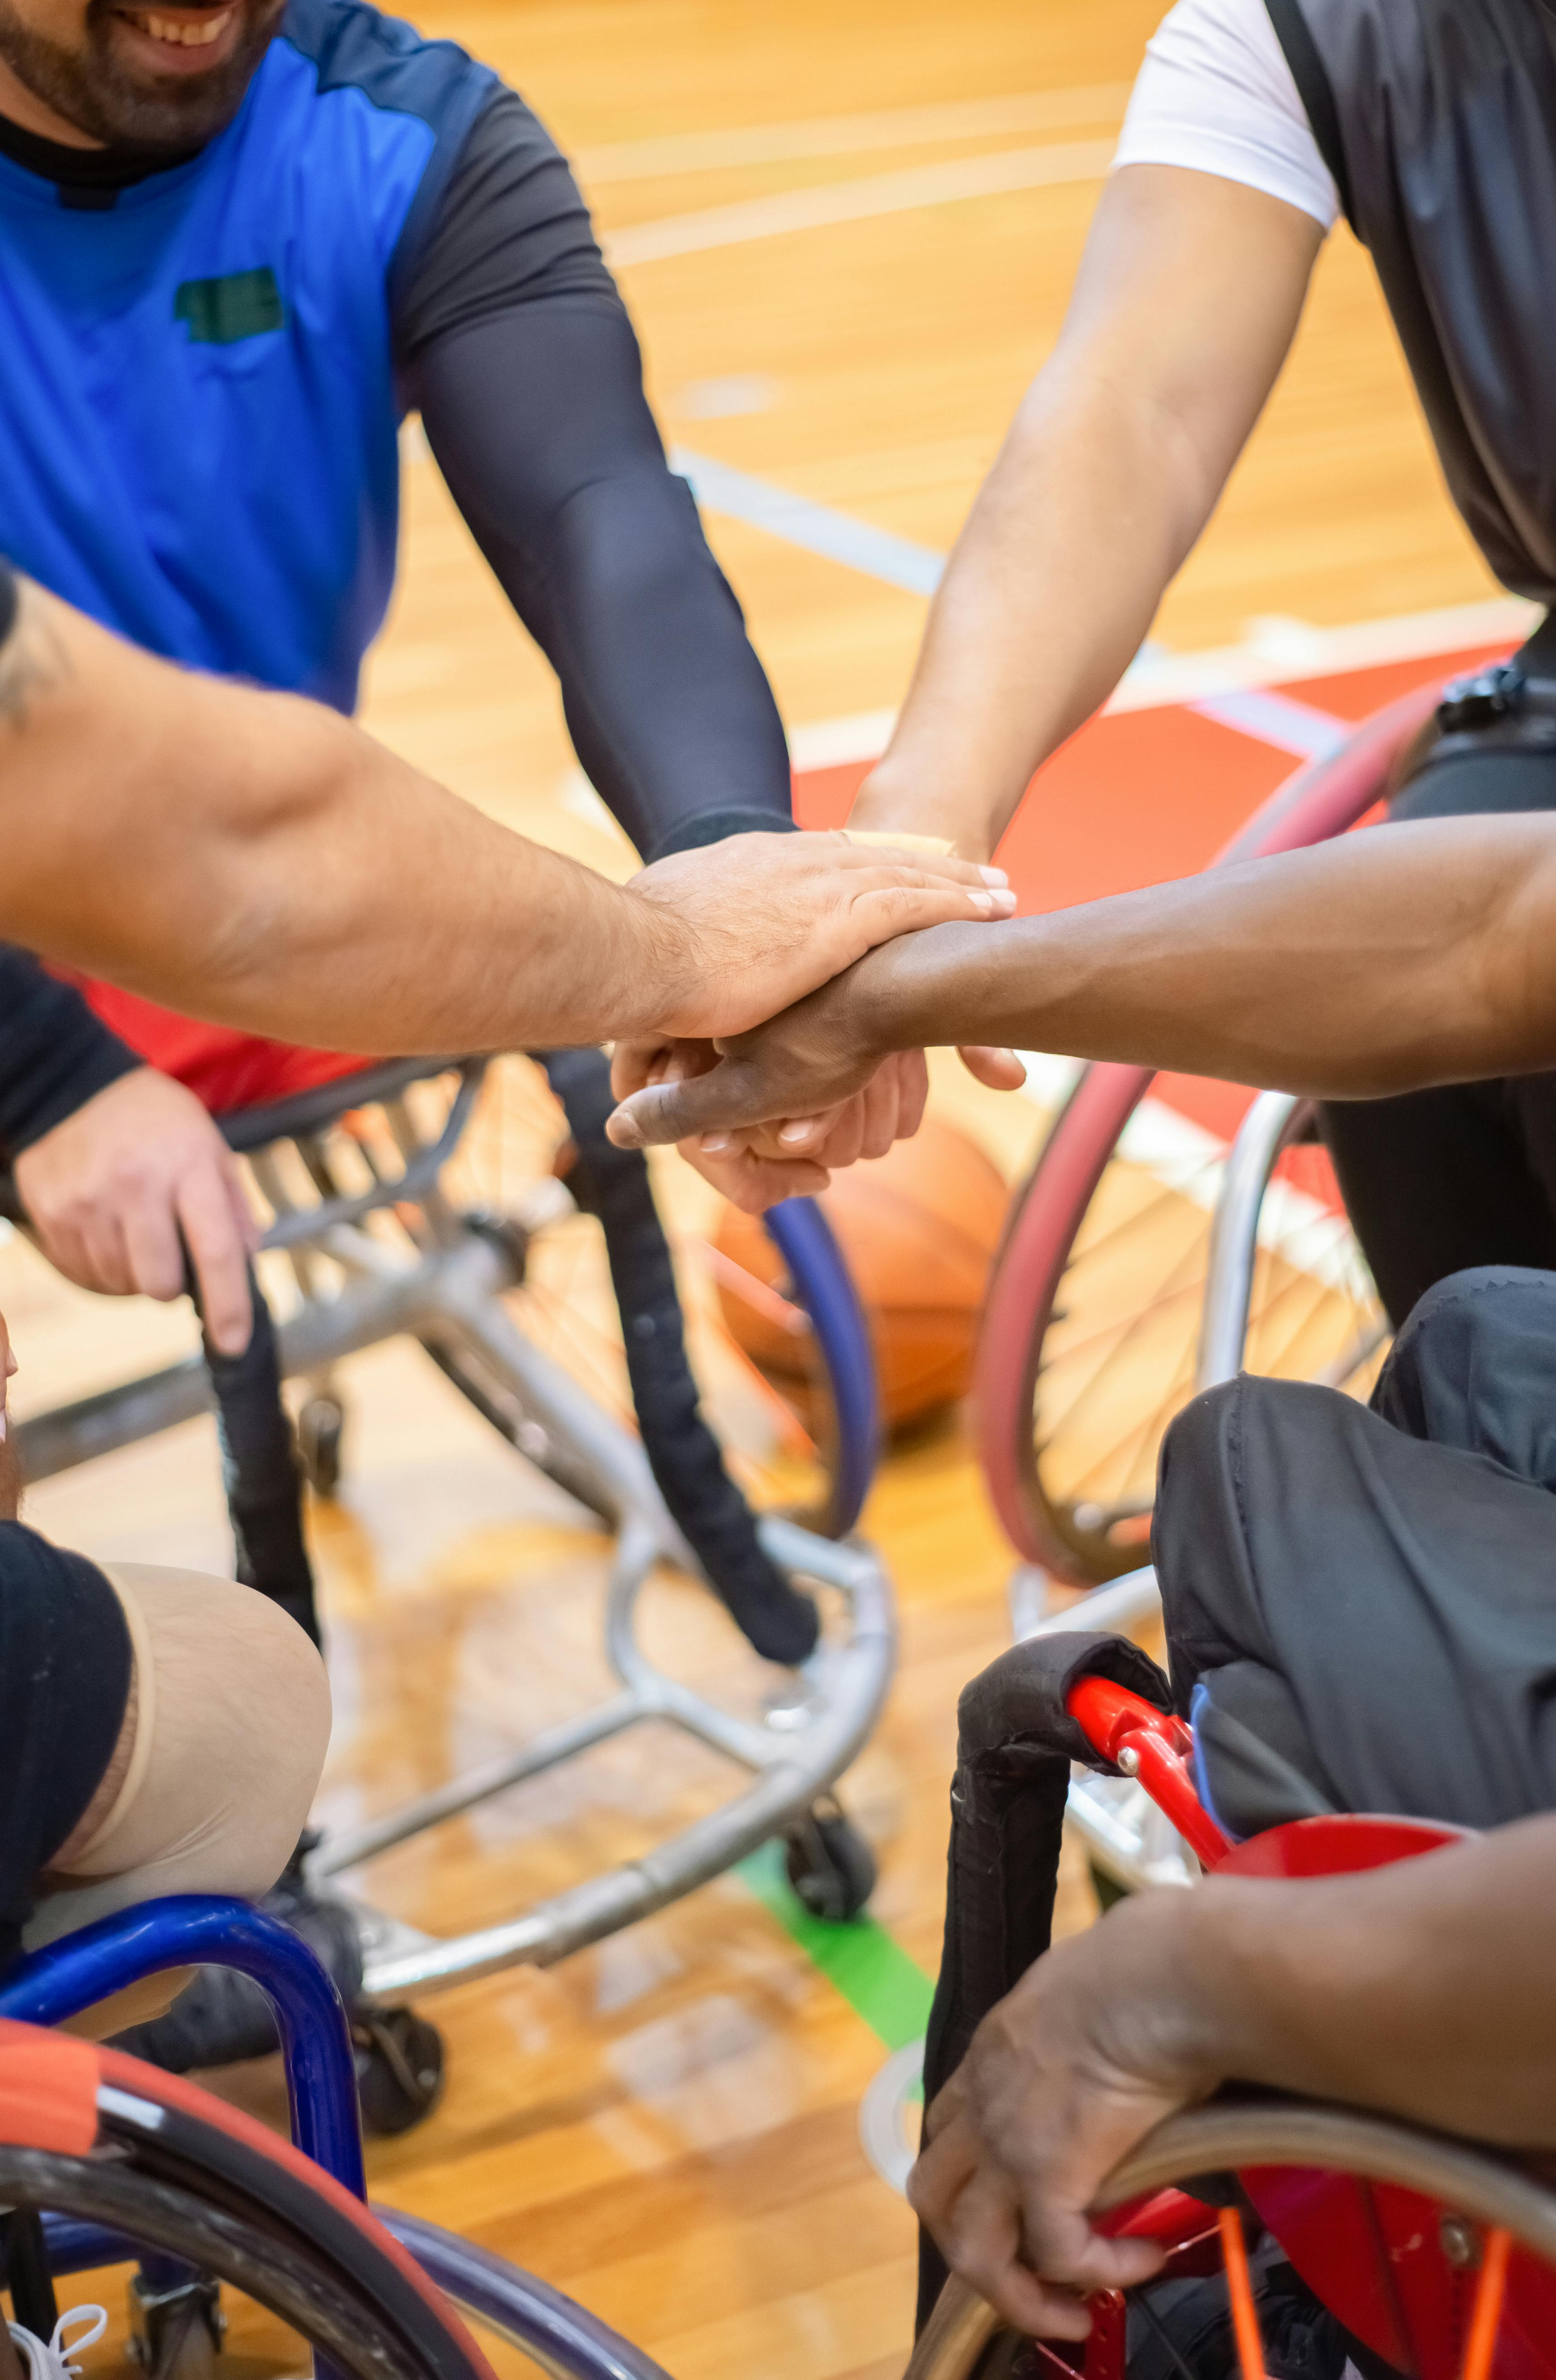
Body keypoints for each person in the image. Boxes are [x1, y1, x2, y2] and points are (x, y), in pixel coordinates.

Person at [727, 0, 1556, 2347]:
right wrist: (910, 904)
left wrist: (1177, 1989)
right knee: (1476, 1024)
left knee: (1286, 1452)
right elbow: (1478, 923)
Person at [707, 0, 1556, 1311]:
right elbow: (1127, 413)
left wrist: (918, 989)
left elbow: (1501, 948)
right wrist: (907, 860)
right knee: (1416, 1021)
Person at [0, 0, 918, 1353]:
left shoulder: (410, 137)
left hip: (255, 886)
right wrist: (38, 1070)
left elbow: (603, 524)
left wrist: (737, 884)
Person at [0, 560, 1005, 1997]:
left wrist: (725, 849)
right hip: (122, 918)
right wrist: (44, 1077)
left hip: (223, 872)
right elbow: (235, 841)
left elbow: (593, 497)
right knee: (245, 1697)